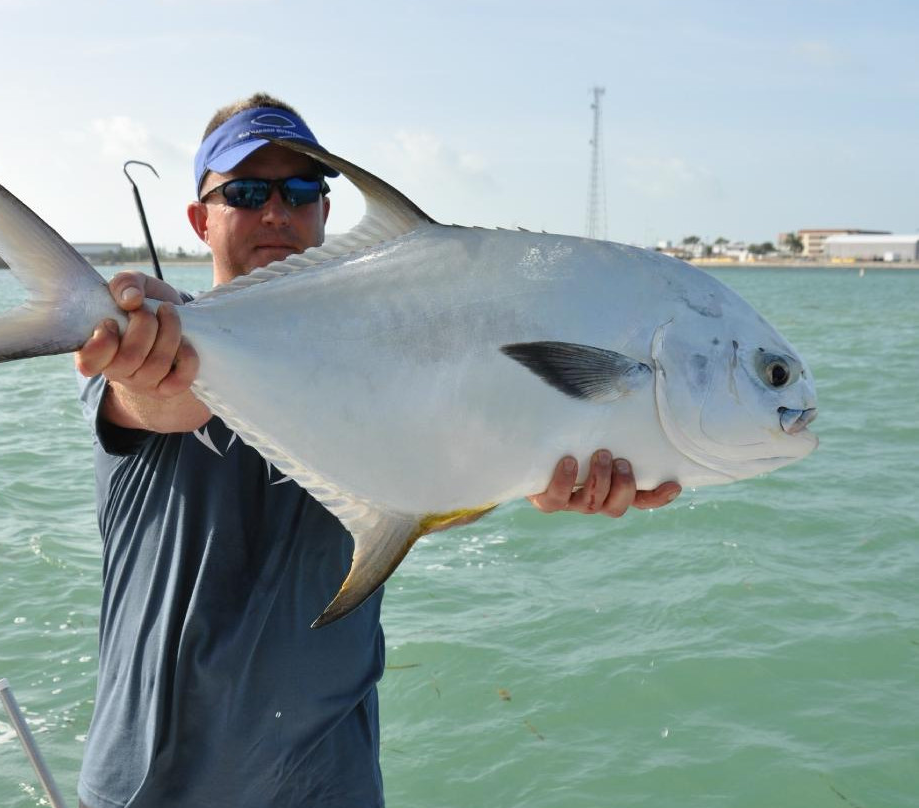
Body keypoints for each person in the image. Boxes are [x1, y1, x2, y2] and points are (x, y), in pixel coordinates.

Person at [74, 93, 681, 808]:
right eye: (245, 191)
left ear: (327, 215)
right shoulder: (145, 346)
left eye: (302, 190)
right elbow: (156, 403)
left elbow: (435, 487)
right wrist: (158, 355)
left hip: (329, 787)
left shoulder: (395, 356)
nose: (278, 211)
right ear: (199, 220)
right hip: (150, 787)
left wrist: (540, 476)